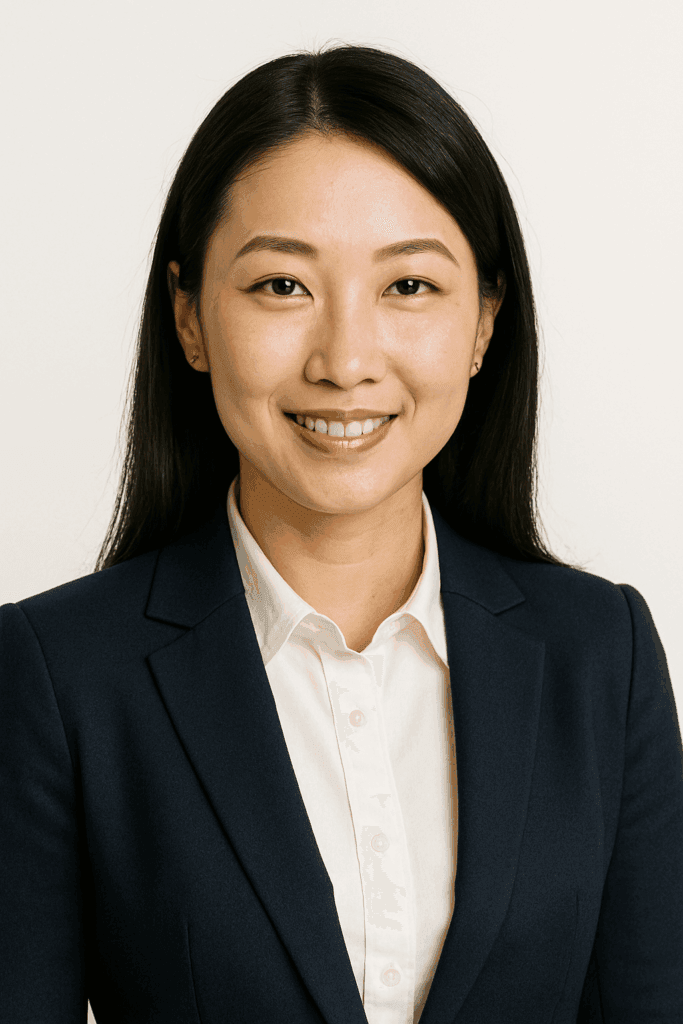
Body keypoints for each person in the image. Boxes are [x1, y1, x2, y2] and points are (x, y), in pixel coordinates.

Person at [1, 42, 681, 1024]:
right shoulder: (63, 676)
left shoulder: (598, 658)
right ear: (189, 316)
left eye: (407, 287)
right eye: (282, 286)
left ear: (485, 318)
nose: (346, 358)